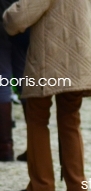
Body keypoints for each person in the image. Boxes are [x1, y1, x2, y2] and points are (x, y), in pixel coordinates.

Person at [3, 0, 91, 191]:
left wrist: (7, 17)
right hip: (80, 60)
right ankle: (77, 187)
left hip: (47, 60)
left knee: (37, 118)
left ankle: (42, 186)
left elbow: (20, 16)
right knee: (71, 119)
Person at [0, 0, 28, 162]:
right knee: (24, 81)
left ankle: (5, 147)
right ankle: (35, 145)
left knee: (2, 82)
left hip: (3, 22)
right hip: (23, 26)